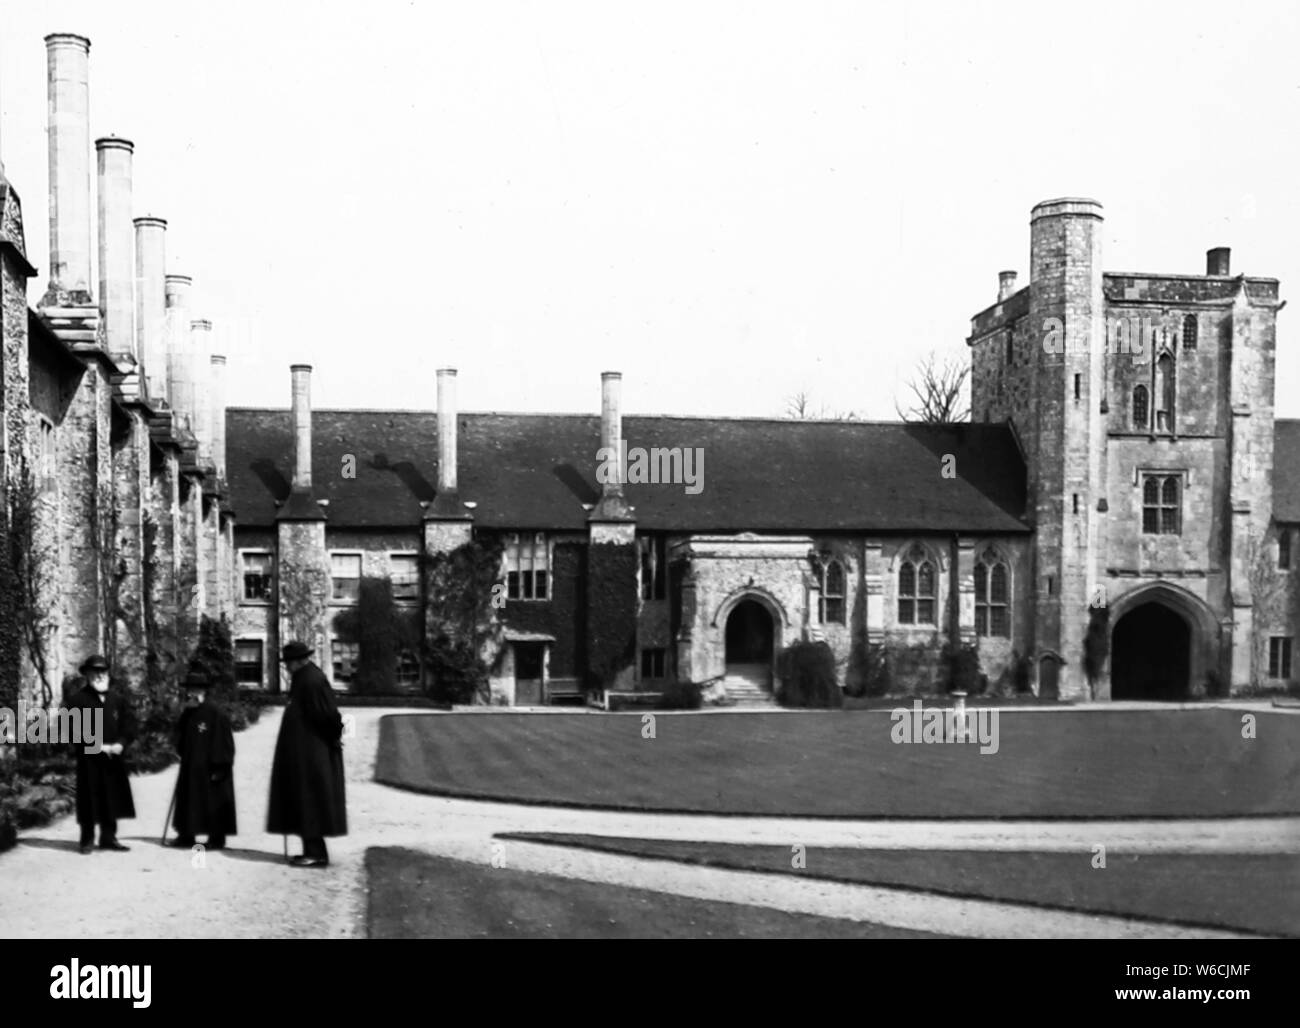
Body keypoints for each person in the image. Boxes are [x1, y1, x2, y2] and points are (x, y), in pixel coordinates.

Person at [266, 641, 346, 868]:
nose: (288, 667)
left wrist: (332, 739)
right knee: (303, 799)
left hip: (312, 752)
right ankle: (311, 850)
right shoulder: (303, 678)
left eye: (290, 662)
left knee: (310, 799)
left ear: (300, 660)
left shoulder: (312, 680)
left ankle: (316, 853)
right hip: (303, 751)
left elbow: (329, 715)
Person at [67, 655, 135, 854]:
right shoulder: (76, 701)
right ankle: (87, 839)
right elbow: (71, 730)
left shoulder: (118, 700)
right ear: (87, 674)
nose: (99, 675)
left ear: (108, 674)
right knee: (89, 797)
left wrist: (122, 743)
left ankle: (108, 837)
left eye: (103, 672)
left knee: (111, 796)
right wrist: (97, 746)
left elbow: (129, 725)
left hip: (114, 759)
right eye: (95, 672)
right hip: (89, 760)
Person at [167, 671, 236, 851]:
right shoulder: (188, 712)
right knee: (189, 799)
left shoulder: (215, 713)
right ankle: (186, 835)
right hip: (191, 764)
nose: (190, 693)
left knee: (213, 800)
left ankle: (216, 838)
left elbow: (224, 741)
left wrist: (220, 766)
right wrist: (180, 750)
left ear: (203, 691)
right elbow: (180, 735)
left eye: (194, 689)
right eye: (189, 689)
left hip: (210, 766)